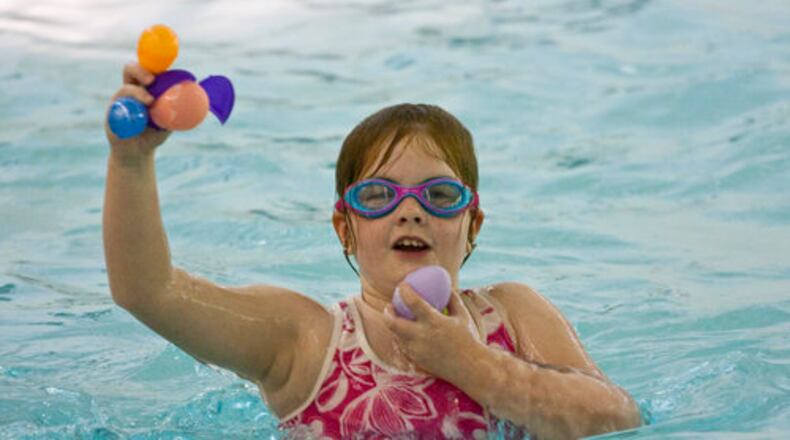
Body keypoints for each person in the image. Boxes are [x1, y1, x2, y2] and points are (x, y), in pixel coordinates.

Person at [103, 62, 643, 440]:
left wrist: (474, 365)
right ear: (345, 228)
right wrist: (131, 163)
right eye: (379, 196)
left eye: (439, 195)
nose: (411, 212)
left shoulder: (512, 317)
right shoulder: (307, 341)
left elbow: (618, 418)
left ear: (471, 225)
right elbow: (149, 291)